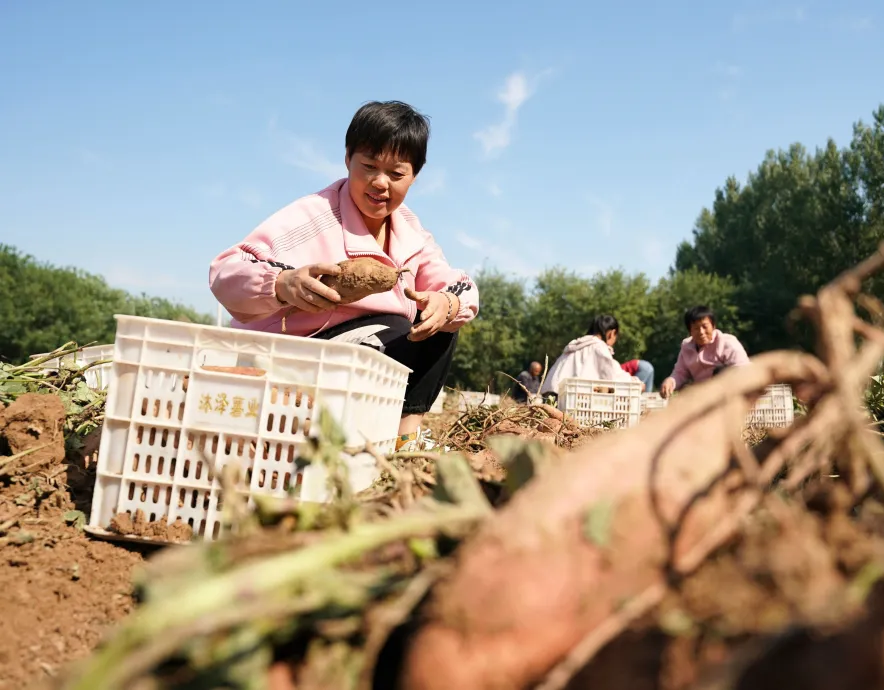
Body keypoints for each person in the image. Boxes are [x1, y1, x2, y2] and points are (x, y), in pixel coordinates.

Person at [209, 100, 479, 451]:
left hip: (359, 359)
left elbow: (458, 285)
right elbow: (228, 269)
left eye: (396, 174)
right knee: (395, 327)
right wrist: (282, 284)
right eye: (368, 166)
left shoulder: (410, 231)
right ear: (348, 159)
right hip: (287, 362)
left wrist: (447, 301)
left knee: (437, 323)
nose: (380, 183)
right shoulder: (314, 215)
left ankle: (406, 439)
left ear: (415, 175)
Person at [659, 305, 749, 399]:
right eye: (696, 328)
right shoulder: (686, 347)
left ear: (713, 326)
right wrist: (670, 381)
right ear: (690, 331)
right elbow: (680, 373)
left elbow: (743, 369)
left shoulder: (728, 342)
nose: (701, 332)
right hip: (701, 396)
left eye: (705, 326)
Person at [541, 315, 643, 396]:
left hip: (550, 397)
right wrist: (637, 384)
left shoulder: (575, 346)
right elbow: (613, 376)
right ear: (612, 333)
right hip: (569, 401)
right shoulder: (598, 347)